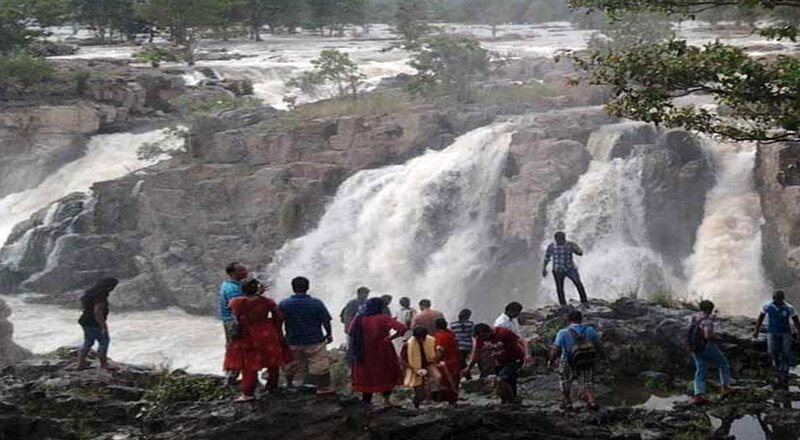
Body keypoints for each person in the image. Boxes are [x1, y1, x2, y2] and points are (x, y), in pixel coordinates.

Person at [224, 279, 292, 402]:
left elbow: (233, 313)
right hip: (267, 333)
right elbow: (279, 316)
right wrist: (275, 328)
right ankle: (272, 387)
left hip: (248, 335)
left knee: (249, 365)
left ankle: (248, 393)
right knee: (273, 361)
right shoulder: (268, 302)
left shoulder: (237, 302)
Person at [279, 276, 335, 395]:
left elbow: (278, 322)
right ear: (308, 287)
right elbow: (325, 320)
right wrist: (329, 334)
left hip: (293, 339)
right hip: (314, 340)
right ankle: (323, 388)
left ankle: (289, 385)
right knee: (320, 363)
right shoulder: (316, 303)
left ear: (293, 288)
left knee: (291, 363)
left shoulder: (284, 304)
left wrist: (280, 338)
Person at [348, 297, 407, 406]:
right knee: (385, 373)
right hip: (382, 350)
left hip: (363, 350)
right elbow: (402, 328)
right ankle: (386, 401)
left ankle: (366, 402)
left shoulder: (359, 318)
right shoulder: (384, 318)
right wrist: (390, 338)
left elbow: (350, 331)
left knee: (366, 374)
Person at [549, 310, 603, 410]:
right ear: (581, 319)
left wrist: (551, 361)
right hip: (587, 359)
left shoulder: (563, 332)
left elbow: (555, 349)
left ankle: (567, 401)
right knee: (587, 381)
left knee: (565, 381)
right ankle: (592, 401)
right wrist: (602, 357)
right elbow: (598, 345)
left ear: (569, 320)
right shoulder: (590, 330)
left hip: (567, 360)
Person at [463, 323, 525, 404]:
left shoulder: (504, 332)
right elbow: (476, 353)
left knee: (502, 378)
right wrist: (469, 368)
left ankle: (511, 401)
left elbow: (521, 341)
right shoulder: (480, 338)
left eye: (484, 337)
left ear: (488, 332)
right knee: (509, 381)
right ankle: (508, 399)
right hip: (499, 361)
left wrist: (527, 355)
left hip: (514, 358)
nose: (483, 339)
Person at [754, 290, 800, 389]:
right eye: (774, 298)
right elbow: (760, 318)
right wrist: (756, 331)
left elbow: (796, 321)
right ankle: (777, 371)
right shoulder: (767, 306)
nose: (775, 301)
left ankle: (784, 373)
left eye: (777, 299)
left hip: (786, 333)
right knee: (772, 352)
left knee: (786, 354)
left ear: (782, 299)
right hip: (772, 332)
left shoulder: (789, 308)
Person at [689, 300, 732, 405]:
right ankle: (725, 388)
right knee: (723, 364)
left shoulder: (694, 317)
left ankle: (698, 395)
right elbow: (707, 336)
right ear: (709, 309)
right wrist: (718, 337)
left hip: (695, 348)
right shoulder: (707, 321)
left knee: (700, 371)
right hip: (706, 347)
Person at [76, 277, 119, 370]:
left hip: (85, 320)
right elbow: (97, 312)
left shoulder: (89, 293)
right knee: (104, 341)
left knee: (88, 342)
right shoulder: (100, 296)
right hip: (94, 322)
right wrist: (103, 326)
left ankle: (80, 363)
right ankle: (104, 364)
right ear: (109, 287)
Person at [220, 262, 248, 383]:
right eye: (241, 270)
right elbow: (238, 307)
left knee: (233, 347)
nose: (245, 271)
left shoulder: (230, 285)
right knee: (235, 347)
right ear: (232, 273)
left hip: (230, 321)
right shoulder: (232, 289)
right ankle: (231, 375)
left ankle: (232, 374)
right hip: (234, 322)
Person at [542, 231, 588, 305]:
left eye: (563, 239)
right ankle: (563, 304)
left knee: (578, 284)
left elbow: (580, 253)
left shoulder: (570, 244)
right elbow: (547, 258)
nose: (562, 241)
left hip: (570, 269)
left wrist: (578, 251)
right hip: (557, 270)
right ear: (556, 239)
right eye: (560, 239)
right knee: (559, 288)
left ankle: (584, 301)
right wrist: (544, 269)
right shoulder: (551, 246)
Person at [401, 326, 441, 408]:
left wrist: (438, 354)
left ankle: (430, 398)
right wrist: (413, 369)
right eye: (419, 338)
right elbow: (402, 360)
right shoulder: (408, 345)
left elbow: (436, 355)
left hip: (428, 364)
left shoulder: (431, 341)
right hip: (415, 367)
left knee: (437, 377)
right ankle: (416, 404)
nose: (421, 340)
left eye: (423, 338)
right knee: (419, 392)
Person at [434, 318, 461, 404]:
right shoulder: (451, 334)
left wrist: (435, 361)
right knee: (454, 381)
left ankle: (449, 401)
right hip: (455, 361)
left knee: (446, 383)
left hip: (446, 363)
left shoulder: (439, 335)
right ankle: (454, 400)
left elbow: (440, 351)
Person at [450, 309, 474, 378]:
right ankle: (467, 377)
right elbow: (472, 335)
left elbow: (452, 335)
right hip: (468, 346)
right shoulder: (470, 324)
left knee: (461, 362)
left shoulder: (453, 324)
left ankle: (462, 376)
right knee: (463, 361)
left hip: (458, 346)